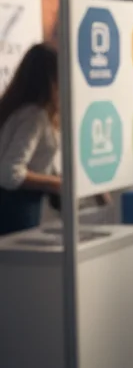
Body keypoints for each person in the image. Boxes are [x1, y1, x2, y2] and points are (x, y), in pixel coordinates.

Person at [0, 44, 61, 236]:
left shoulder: (20, 111)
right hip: (17, 210)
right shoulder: (34, 116)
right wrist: (55, 183)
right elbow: (10, 173)